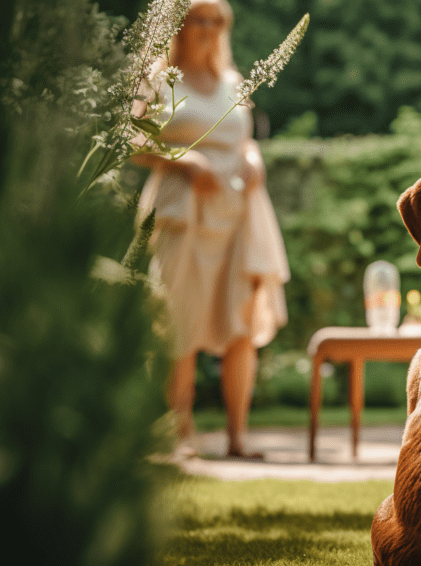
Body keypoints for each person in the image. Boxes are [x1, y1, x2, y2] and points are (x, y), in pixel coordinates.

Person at [132, 0, 289, 458]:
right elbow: (133, 140)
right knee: (177, 319)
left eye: (218, 20)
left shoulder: (233, 82)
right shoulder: (158, 80)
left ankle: (238, 438)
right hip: (183, 212)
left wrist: (254, 157)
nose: (210, 28)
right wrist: (184, 159)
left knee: (241, 319)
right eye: (200, 18)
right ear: (179, 26)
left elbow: (245, 139)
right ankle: (179, 434)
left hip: (240, 213)